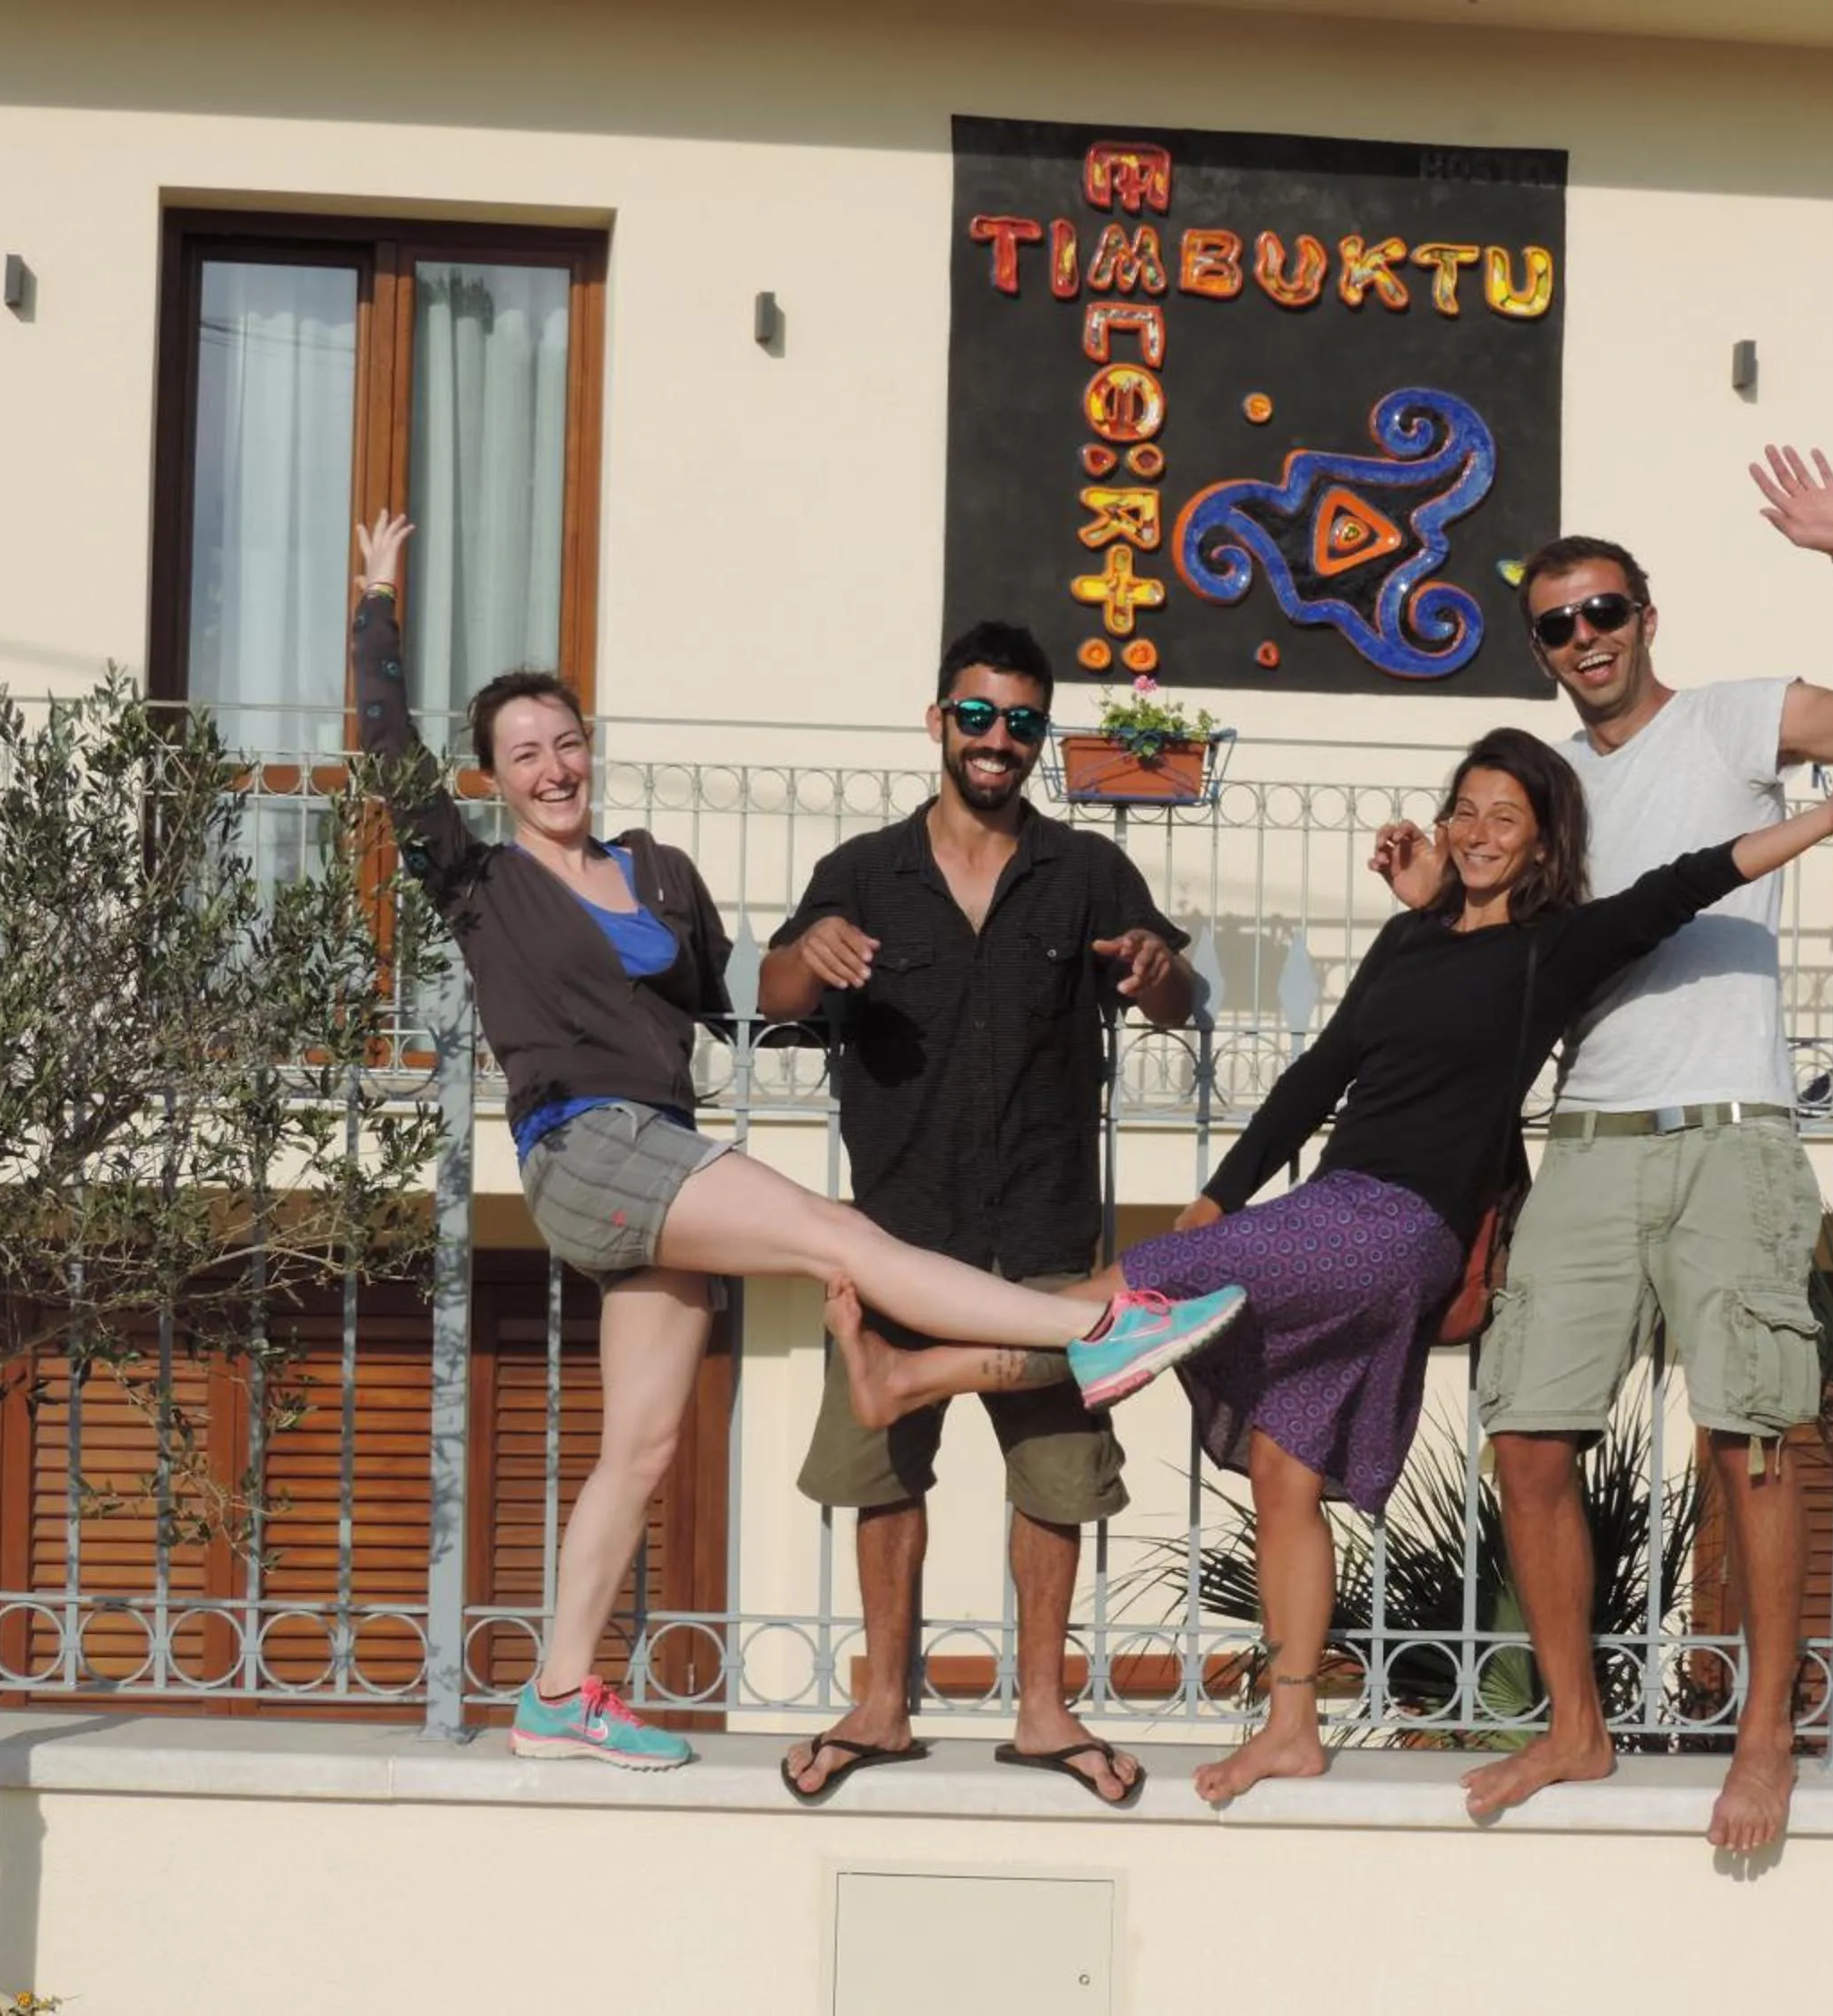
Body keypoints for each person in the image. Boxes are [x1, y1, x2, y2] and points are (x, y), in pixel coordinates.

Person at [825, 716, 1833, 1803]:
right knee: (1280, 1471)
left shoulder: (1556, 945)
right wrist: (1218, 1197)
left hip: (1396, 1230)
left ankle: (917, 1369)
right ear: (1445, 827)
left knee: (1143, 1289)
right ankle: (1294, 1727)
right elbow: (1319, 1078)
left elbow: (1693, 878)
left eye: (1511, 817)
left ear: (1545, 843)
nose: (1485, 831)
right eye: (1468, 810)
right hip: (1333, 1201)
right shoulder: (1409, 942)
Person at [346, 512, 1248, 1770]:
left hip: (664, 1150)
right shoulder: (483, 882)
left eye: (567, 742)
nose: (553, 767)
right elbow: (387, 762)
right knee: (840, 1231)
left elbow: (739, 992)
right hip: (586, 1143)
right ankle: (1105, 1325)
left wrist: (801, 973)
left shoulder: (654, 870)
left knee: (644, 1443)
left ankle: (556, 1693)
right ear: (493, 777)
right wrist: (377, 600)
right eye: (523, 753)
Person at [1371, 444, 1833, 1850]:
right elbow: (1503, 962)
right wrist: (1427, 896)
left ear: (1648, 616)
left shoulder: (1734, 722)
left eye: (1607, 610)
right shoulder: (1544, 789)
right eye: (1558, 623)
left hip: (1729, 1134)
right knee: (1524, 1432)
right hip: (1582, 1138)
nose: (1586, 636)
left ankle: (1767, 1737)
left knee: (1753, 1438)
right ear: (1541, 647)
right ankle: (1575, 1724)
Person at [755, 620, 1196, 1808]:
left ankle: (1044, 1708)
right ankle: (882, 1702)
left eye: (1021, 721)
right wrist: (810, 946)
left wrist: (1161, 975)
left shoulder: (1086, 868)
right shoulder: (862, 870)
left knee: (1055, 1474)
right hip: (898, 1228)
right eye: (978, 714)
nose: (997, 739)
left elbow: (1174, 992)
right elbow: (773, 993)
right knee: (884, 1468)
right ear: (938, 719)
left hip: (1046, 1225)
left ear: (1039, 737)